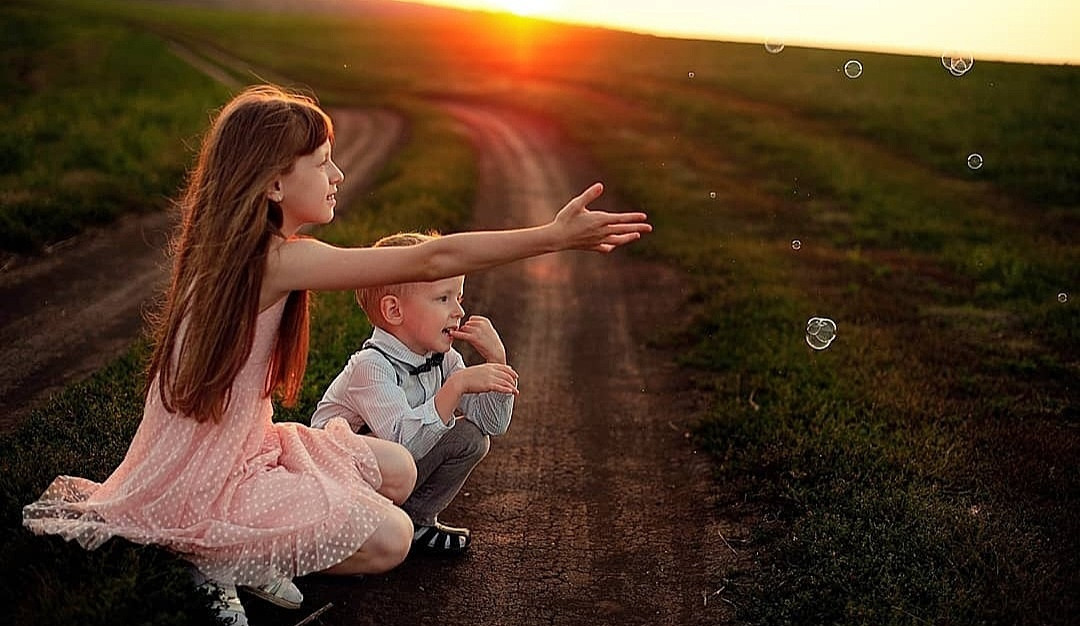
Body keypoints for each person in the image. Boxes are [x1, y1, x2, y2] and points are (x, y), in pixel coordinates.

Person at [21, 84, 650, 625]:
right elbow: (434, 258)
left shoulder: (249, 250)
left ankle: (250, 547)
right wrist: (552, 237)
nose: (338, 175)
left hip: (246, 447)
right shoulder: (272, 259)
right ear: (272, 182)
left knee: (400, 468)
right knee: (393, 538)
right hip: (204, 475)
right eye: (322, 162)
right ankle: (219, 555)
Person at [311, 232, 516, 556]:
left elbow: (493, 424)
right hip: (338, 486)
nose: (458, 311)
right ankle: (357, 534)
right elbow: (402, 444)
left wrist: (497, 362)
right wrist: (455, 387)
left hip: (387, 480)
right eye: (443, 299)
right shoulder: (371, 365)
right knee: (432, 437)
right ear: (394, 311)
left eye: (458, 297)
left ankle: (416, 519)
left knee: (472, 437)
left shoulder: (445, 359)